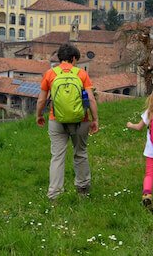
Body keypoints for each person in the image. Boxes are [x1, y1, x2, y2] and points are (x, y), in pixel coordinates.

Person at [35, 43, 99, 200]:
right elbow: (91, 99)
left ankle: (54, 194)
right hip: (81, 120)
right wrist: (95, 119)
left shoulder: (50, 74)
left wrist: (39, 115)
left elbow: (41, 100)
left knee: (57, 157)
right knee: (80, 153)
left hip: (56, 120)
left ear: (60, 58)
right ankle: (83, 189)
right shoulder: (81, 74)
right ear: (74, 58)